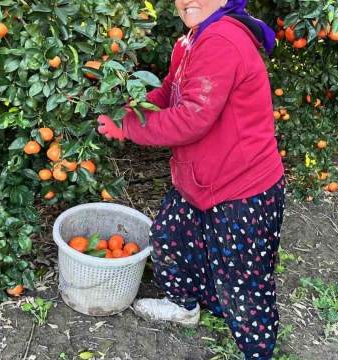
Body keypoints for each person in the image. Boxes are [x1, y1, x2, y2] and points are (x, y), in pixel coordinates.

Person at [97, 0, 285, 359]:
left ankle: (257, 352)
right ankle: (184, 306)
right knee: (169, 238)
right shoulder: (190, 41)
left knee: (242, 281)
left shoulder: (222, 41)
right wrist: (129, 110)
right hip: (200, 179)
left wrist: (128, 127)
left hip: (241, 186)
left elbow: (192, 118)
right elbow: (168, 94)